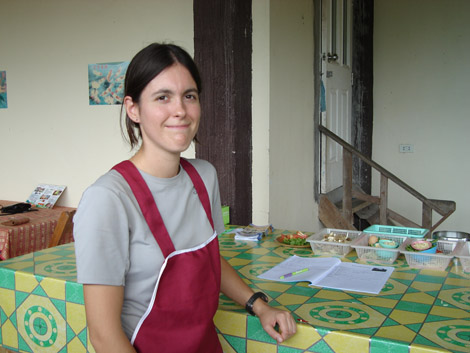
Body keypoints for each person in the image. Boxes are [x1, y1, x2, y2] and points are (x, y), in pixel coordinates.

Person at [74, 42, 297, 353]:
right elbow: (104, 336)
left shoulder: (204, 176)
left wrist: (258, 305)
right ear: (133, 109)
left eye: (189, 96)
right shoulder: (108, 199)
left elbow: (209, 261)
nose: (180, 110)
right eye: (162, 97)